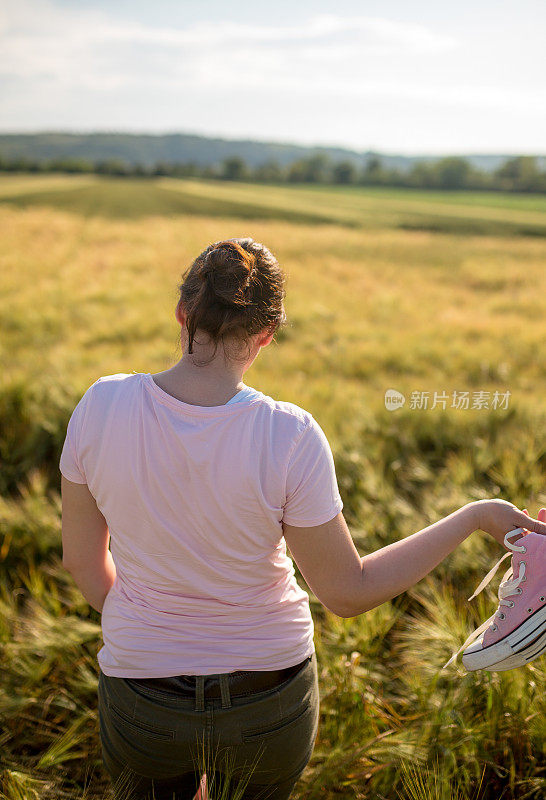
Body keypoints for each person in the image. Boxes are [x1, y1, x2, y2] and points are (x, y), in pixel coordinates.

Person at [59, 237, 546, 800]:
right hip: (269, 700)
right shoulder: (288, 434)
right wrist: (476, 515)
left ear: (182, 313)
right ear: (267, 333)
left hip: (142, 695)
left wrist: (157, 626)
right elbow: (346, 592)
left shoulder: (100, 405)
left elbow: (83, 564)